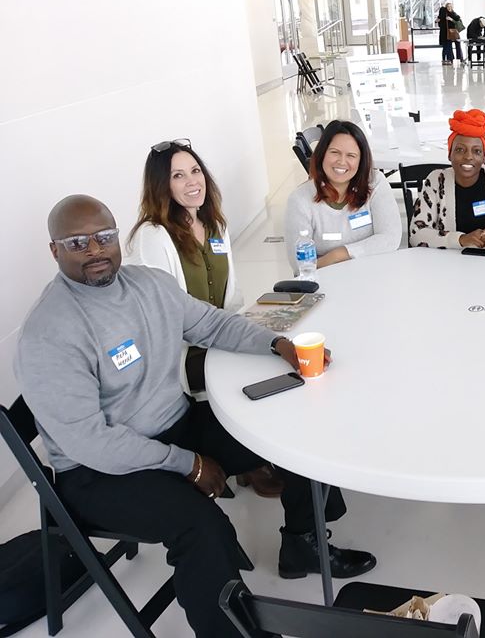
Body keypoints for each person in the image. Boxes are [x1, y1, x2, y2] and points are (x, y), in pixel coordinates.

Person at [15, 196, 377, 638]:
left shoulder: (148, 285)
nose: (95, 249)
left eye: (104, 236)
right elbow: (91, 442)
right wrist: (187, 463)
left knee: (290, 427)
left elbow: (213, 324)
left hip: (173, 426)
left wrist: (276, 344)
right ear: (55, 250)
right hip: (99, 472)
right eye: (78, 242)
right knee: (198, 525)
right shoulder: (49, 334)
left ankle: (302, 544)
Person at [127, 139, 284, 498]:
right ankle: (247, 459)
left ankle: (250, 456)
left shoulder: (213, 224)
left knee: (274, 360)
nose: (191, 181)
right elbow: (164, 318)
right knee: (252, 378)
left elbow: (234, 296)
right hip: (185, 353)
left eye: (195, 171)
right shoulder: (154, 237)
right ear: (161, 186)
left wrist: (248, 332)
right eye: (178, 176)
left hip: (220, 337)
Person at [284, 120, 402, 274]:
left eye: (351, 155)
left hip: (373, 275)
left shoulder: (375, 183)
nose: (341, 162)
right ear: (322, 154)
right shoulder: (300, 200)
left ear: (361, 161)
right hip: (325, 280)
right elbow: (299, 264)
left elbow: (390, 238)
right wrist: (364, 250)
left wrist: (338, 255)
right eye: (334, 152)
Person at [409, 109, 485, 249]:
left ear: (484, 158)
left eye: (477, 151)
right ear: (449, 155)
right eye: (460, 150)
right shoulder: (437, 181)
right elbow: (416, 234)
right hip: (450, 263)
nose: (468, 157)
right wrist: (460, 240)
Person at [438, 1, 463, 66]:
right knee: (448, 46)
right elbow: (440, 24)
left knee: (457, 44)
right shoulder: (444, 14)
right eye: (448, 7)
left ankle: (460, 59)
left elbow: (458, 19)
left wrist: (451, 19)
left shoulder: (453, 14)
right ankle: (450, 59)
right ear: (446, 7)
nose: (449, 8)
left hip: (454, 32)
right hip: (447, 33)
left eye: (450, 7)